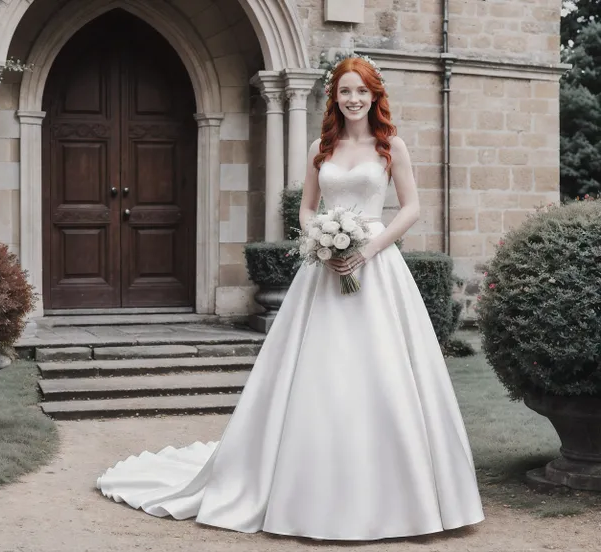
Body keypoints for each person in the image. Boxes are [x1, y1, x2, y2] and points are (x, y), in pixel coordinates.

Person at [96, 55, 485, 541]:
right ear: (335, 97)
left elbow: (411, 208)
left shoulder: (392, 147)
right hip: (323, 271)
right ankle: (297, 488)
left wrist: (367, 249)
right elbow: (305, 208)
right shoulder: (321, 146)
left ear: (374, 96)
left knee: (385, 372)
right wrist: (321, 239)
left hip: (377, 268)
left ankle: (404, 496)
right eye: (345, 91)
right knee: (317, 374)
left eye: (361, 91)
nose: (353, 99)